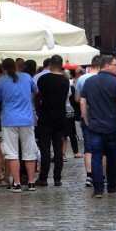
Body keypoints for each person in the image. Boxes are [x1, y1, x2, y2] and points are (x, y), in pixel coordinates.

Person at [80, 55, 116, 198]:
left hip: (95, 125)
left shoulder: (89, 81)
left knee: (96, 157)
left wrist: (86, 119)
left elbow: (82, 103)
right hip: (112, 125)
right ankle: (112, 185)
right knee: (112, 157)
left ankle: (98, 189)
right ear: (107, 65)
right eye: (115, 65)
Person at [0, 58, 38, 192]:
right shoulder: (27, 77)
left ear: (3, 69)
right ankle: (31, 182)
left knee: (12, 152)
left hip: (9, 120)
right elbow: (35, 89)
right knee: (29, 151)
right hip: (27, 119)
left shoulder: (1, 81)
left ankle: (16, 183)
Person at [34, 55, 70, 187]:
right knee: (58, 149)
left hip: (45, 116)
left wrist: (38, 109)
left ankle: (43, 178)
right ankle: (57, 178)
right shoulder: (65, 80)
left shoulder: (43, 79)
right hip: (60, 117)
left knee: (45, 149)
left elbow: (38, 97)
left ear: (50, 64)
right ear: (61, 65)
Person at [74, 56, 101, 186]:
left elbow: (77, 98)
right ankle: (102, 174)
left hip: (87, 115)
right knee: (103, 146)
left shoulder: (82, 79)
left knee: (88, 147)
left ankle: (89, 175)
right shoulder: (107, 79)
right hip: (103, 116)